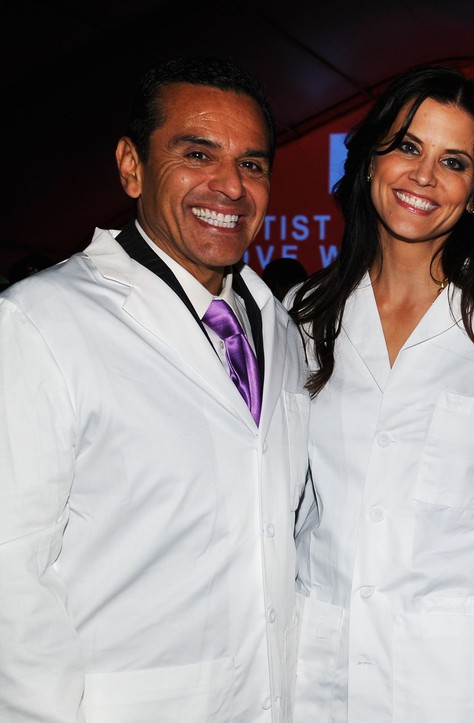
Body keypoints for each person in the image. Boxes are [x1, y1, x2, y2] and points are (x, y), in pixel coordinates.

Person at [0, 57, 310, 721]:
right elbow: (9, 575)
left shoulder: (280, 330)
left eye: (252, 164)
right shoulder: (41, 322)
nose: (231, 185)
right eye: (197, 154)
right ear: (132, 166)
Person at [287, 65, 474, 722]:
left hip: (456, 682)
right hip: (317, 674)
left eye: (453, 162)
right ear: (370, 161)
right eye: (407, 147)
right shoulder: (304, 316)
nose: (424, 176)